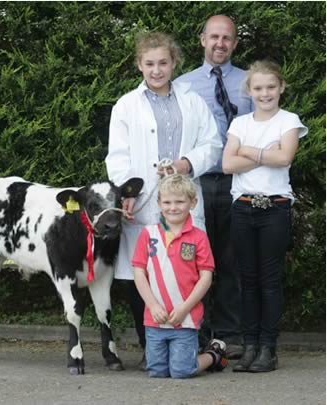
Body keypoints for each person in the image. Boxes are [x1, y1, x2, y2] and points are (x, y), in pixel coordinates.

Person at [105, 32, 222, 369]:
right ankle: (150, 345)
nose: (156, 70)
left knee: (189, 269)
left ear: (174, 63)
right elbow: (118, 156)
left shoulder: (192, 100)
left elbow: (212, 144)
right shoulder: (127, 104)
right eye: (149, 64)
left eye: (163, 63)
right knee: (140, 270)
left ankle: (195, 342)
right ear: (139, 65)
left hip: (181, 197)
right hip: (143, 203)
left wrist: (187, 164)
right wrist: (127, 192)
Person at [175, 15, 253, 358]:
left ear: (235, 44)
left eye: (227, 38)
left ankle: (231, 335)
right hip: (199, 183)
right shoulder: (183, 85)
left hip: (239, 182)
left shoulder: (251, 82)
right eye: (214, 37)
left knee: (232, 258)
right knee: (194, 258)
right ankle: (197, 332)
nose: (220, 43)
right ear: (202, 39)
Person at [222, 60, 308, 372]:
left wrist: (247, 151)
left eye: (271, 87)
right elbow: (227, 164)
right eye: (258, 88)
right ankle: (250, 346)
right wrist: (263, 154)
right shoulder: (240, 124)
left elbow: (284, 156)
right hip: (243, 207)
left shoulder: (289, 121)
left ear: (281, 87)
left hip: (275, 207)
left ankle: (268, 349)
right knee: (248, 279)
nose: (265, 93)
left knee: (270, 280)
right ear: (249, 91)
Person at [132, 174, 228, 378]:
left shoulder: (199, 237)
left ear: (192, 203)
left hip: (185, 318)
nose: (173, 207)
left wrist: (185, 308)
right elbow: (139, 272)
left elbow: (206, 277)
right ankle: (182, 355)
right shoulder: (148, 234)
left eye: (180, 202)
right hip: (155, 318)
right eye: (167, 202)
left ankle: (214, 354)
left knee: (181, 371)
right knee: (156, 371)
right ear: (158, 203)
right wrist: (153, 305)